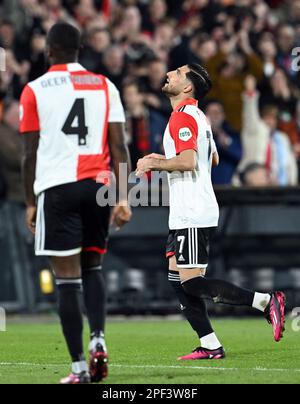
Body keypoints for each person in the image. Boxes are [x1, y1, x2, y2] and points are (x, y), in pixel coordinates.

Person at [136, 63, 286, 360]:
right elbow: (212, 158)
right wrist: (166, 157)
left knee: (191, 282)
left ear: (188, 87)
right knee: (176, 279)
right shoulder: (198, 117)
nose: (170, 74)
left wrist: (154, 163)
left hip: (192, 209)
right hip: (188, 208)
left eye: (177, 73)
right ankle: (209, 343)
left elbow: (190, 162)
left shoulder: (182, 118)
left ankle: (266, 301)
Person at [20, 22, 132, 384]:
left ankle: (79, 367)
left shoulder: (34, 90)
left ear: (49, 50)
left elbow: (29, 153)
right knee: (93, 268)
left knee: (67, 280)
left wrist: (29, 201)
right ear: (81, 49)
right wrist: (123, 197)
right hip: (98, 186)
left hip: (58, 187)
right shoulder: (105, 85)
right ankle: (99, 337)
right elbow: (120, 147)